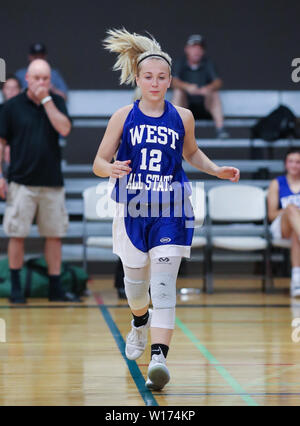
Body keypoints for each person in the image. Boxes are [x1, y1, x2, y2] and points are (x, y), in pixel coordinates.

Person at [93, 28, 240, 391]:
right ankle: (139, 322)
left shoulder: (183, 117)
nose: (155, 83)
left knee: (162, 287)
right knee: (137, 291)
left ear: (170, 80)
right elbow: (98, 160)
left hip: (172, 208)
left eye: (161, 77)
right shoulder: (123, 115)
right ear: (139, 79)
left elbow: (191, 153)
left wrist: (215, 169)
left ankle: (158, 359)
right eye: (148, 77)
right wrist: (108, 168)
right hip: (132, 209)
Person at [0, 58, 80, 304]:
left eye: (45, 78)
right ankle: (15, 288)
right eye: (37, 78)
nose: (41, 82)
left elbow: (65, 129)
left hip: (51, 182)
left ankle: (55, 288)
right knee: (17, 235)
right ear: (27, 79)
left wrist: (46, 99)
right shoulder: (11, 107)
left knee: (54, 235)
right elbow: (1, 143)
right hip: (21, 182)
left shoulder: (56, 102)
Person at [171, 34, 229, 139]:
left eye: (200, 48)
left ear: (203, 51)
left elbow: (218, 82)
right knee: (178, 92)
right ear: (187, 49)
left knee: (214, 93)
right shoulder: (181, 63)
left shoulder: (208, 63)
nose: (197, 51)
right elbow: (172, 81)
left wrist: (207, 88)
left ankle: (220, 129)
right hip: (186, 106)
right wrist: (187, 87)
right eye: (194, 48)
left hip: (205, 106)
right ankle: (174, 129)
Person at [268, 148, 300, 298]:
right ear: (286, 164)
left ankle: (296, 280)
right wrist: (288, 210)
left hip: (295, 229)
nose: (294, 165)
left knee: (296, 231)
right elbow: (271, 214)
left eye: (298, 162)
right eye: (291, 161)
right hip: (281, 226)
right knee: (292, 209)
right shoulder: (277, 183)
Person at [0, 76, 22, 176]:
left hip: (23, 155)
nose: (11, 91)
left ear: (20, 90)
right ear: (3, 90)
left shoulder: (26, 112)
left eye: (14, 88)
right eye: (8, 88)